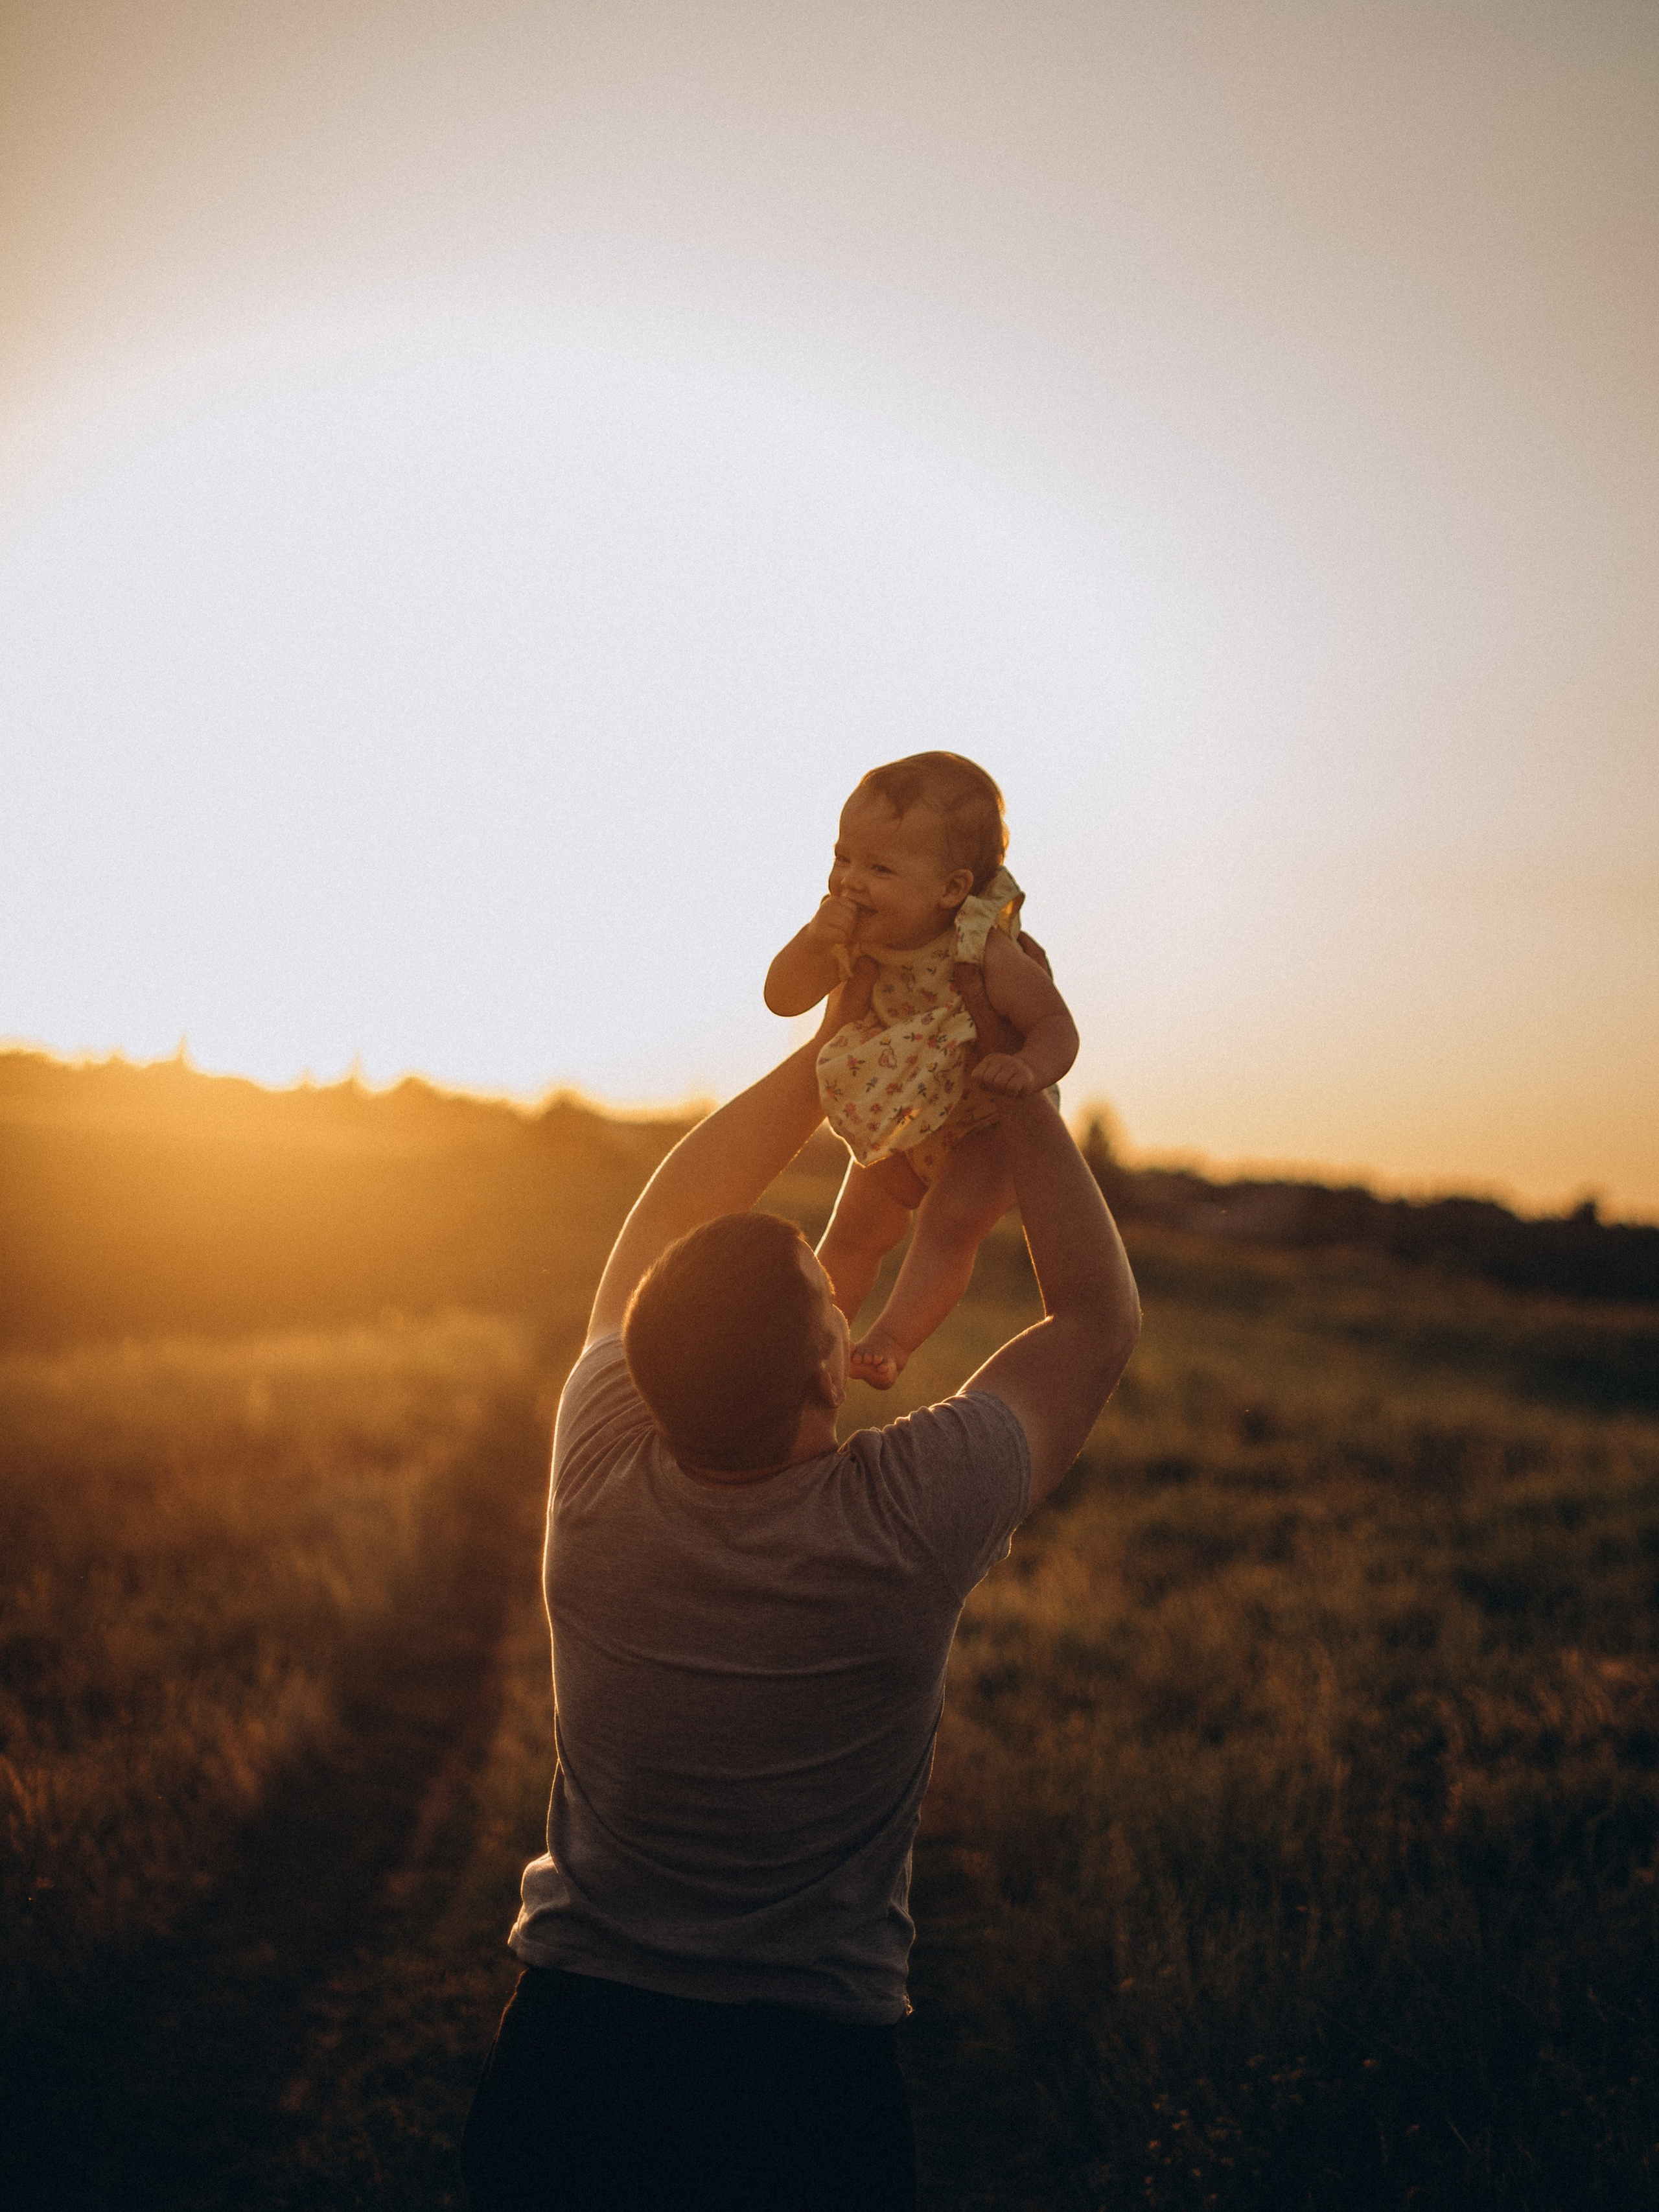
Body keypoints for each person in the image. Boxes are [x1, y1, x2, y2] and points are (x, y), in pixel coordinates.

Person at [460, 959, 1139, 2212]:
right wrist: (1022, 1082)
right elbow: (1092, 1322)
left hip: (572, 2052)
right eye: (830, 1304)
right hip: (808, 2075)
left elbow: (657, 1227)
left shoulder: (600, 1455)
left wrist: (825, 1063)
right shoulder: (905, 1517)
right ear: (829, 1380)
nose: (843, 1291)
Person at [765, 752, 1078, 1388]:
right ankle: (808, 1342)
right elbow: (783, 997)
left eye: (878, 867)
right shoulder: (851, 935)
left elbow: (1057, 1027)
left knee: (947, 1226)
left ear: (952, 889)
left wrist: (1025, 1069)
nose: (850, 881)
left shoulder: (982, 948)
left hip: (985, 1124)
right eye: (843, 857)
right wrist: (810, 941)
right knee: (854, 1229)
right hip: (900, 1116)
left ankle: (890, 1341)